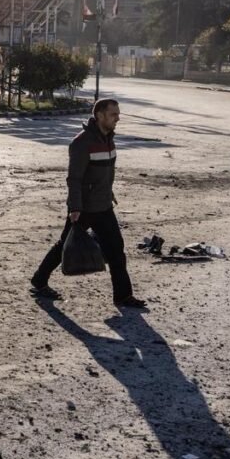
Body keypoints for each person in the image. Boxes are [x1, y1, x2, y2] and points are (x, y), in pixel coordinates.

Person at [30, 98, 146, 308]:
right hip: (83, 208)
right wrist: (75, 207)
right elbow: (74, 178)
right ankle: (39, 280)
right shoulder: (81, 143)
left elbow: (105, 171)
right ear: (100, 115)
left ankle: (123, 296)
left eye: (118, 114)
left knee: (116, 249)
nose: (118, 118)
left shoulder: (108, 139)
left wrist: (109, 191)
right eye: (113, 114)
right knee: (65, 245)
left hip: (104, 206)